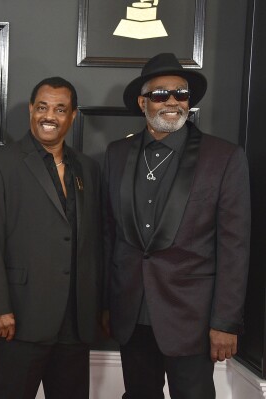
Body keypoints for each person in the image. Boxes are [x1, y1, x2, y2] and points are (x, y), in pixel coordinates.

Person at [102, 52, 250, 399]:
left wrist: (225, 323)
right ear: (143, 103)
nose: (171, 101)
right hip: (131, 312)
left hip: (192, 318)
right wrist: (107, 303)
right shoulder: (116, 154)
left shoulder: (224, 157)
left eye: (180, 94)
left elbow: (235, 247)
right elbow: (109, 235)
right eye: (160, 94)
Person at [0, 77, 103, 399]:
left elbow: (96, 242)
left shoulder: (87, 168)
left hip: (75, 322)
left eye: (60, 109)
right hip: (19, 318)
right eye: (42, 107)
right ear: (31, 110)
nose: (49, 116)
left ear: (72, 116)